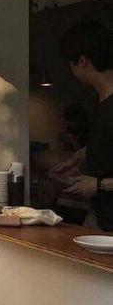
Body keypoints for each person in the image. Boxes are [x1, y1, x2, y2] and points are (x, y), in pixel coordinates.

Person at [54, 18, 113, 231]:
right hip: (102, 214)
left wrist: (99, 185)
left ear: (82, 61)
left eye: (71, 64)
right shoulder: (99, 99)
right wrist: (81, 155)